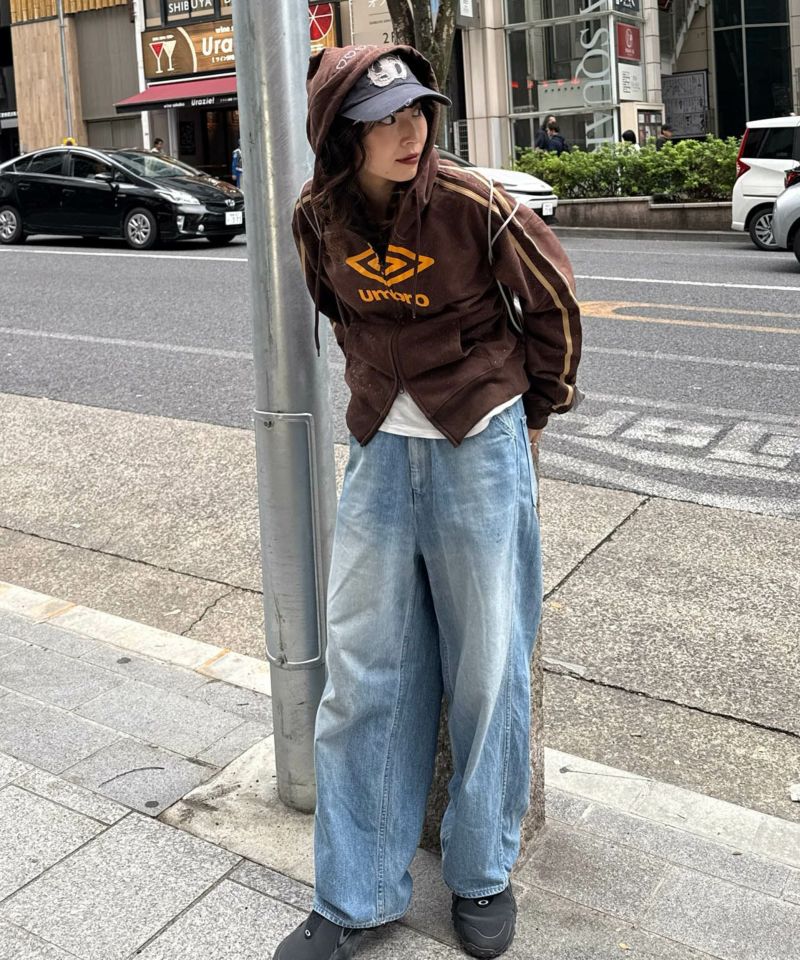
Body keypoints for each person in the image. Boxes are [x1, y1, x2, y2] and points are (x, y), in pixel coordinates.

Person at [279, 44, 582, 960]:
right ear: (343, 137)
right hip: (380, 450)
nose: (409, 131)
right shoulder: (316, 218)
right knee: (361, 675)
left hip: (477, 445)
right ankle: (356, 893)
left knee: (488, 667)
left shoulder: (473, 205)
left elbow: (554, 308)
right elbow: (336, 309)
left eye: (416, 111)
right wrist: (379, 393)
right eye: (384, 120)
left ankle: (481, 871)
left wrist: (531, 414)